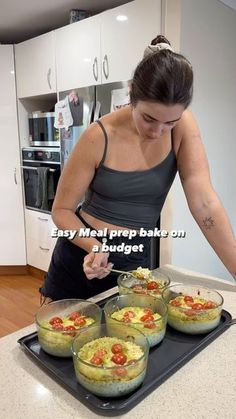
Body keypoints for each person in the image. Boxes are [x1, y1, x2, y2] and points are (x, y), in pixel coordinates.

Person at [40, 35, 236, 303]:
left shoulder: (184, 126)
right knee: (62, 338)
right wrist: (94, 246)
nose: (158, 132)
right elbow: (61, 211)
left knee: (128, 338)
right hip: (81, 254)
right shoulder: (98, 136)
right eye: (149, 118)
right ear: (132, 94)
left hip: (134, 259)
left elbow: (204, 203)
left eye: (170, 122)